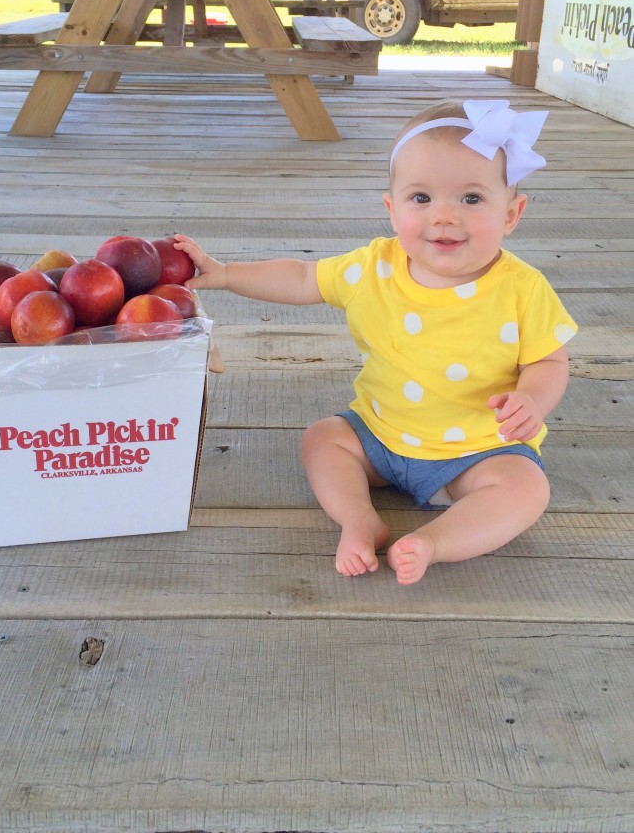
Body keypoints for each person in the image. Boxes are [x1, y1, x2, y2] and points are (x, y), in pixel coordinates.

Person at [174, 99, 578, 585]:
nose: (444, 216)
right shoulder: (373, 268)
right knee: (323, 438)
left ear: (512, 213)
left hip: (477, 452)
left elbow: (550, 360)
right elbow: (303, 278)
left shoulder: (523, 287)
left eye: (471, 199)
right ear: (392, 209)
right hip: (379, 436)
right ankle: (358, 517)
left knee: (525, 488)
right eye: (421, 199)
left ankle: (437, 541)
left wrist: (531, 399)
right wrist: (227, 274)